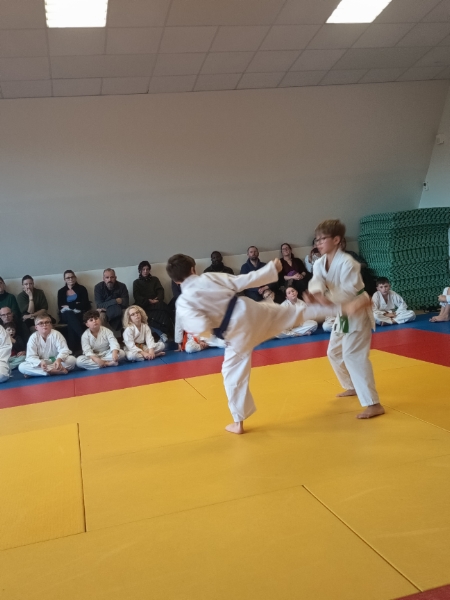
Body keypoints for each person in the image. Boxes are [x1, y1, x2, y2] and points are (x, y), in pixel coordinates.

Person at [167, 253, 339, 434]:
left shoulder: (184, 302)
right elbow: (242, 281)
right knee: (290, 314)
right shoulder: (208, 278)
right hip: (247, 309)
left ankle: (238, 423)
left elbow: (200, 327)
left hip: (234, 332)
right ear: (193, 269)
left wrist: (213, 338)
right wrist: (271, 270)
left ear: (176, 281)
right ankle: (339, 308)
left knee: (232, 375)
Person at [308, 219, 384, 419]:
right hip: (342, 311)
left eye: (323, 239)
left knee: (353, 355)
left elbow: (349, 293)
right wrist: (317, 295)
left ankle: (373, 403)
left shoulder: (348, 263)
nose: (318, 243)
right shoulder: (319, 263)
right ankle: (352, 385)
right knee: (333, 352)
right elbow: (317, 283)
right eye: (317, 240)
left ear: (336, 240)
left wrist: (326, 301)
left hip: (356, 308)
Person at [18, 311, 76, 377]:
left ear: (50, 325)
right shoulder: (33, 337)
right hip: (42, 363)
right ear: (36, 327)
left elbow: (64, 350)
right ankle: (53, 371)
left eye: (47, 322)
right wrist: (40, 362)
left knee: (72, 360)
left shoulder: (56, 334)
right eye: (41, 323)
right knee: (22, 367)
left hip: (56, 361)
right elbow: (30, 356)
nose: (44, 325)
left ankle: (36, 372)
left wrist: (59, 360)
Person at [132, 261, 172, 342]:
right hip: (144, 304)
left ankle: (168, 334)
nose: (145, 271)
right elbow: (137, 296)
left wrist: (157, 299)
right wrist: (148, 301)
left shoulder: (155, 279)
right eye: (143, 269)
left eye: (147, 269)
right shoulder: (136, 282)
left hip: (156, 303)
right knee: (146, 317)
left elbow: (160, 290)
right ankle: (161, 334)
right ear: (140, 270)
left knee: (164, 313)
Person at [57, 270, 91, 351]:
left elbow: (85, 305)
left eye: (72, 277)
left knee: (71, 324)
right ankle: (84, 338)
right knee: (69, 314)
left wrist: (69, 305)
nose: (70, 279)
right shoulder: (61, 291)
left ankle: (72, 350)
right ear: (64, 280)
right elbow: (60, 307)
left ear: (75, 278)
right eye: (68, 278)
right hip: (65, 315)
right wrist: (76, 304)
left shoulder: (82, 289)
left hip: (80, 314)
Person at [94, 269, 129, 334]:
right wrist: (115, 301)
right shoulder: (98, 287)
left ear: (115, 278)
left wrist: (107, 303)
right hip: (105, 311)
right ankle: (103, 338)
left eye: (112, 277)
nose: (109, 280)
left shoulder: (122, 286)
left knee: (128, 313)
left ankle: (127, 337)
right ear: (103, 278)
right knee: (101, 317)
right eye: (107, 277)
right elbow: (99, 305)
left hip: (119, 309)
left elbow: (126, 302)